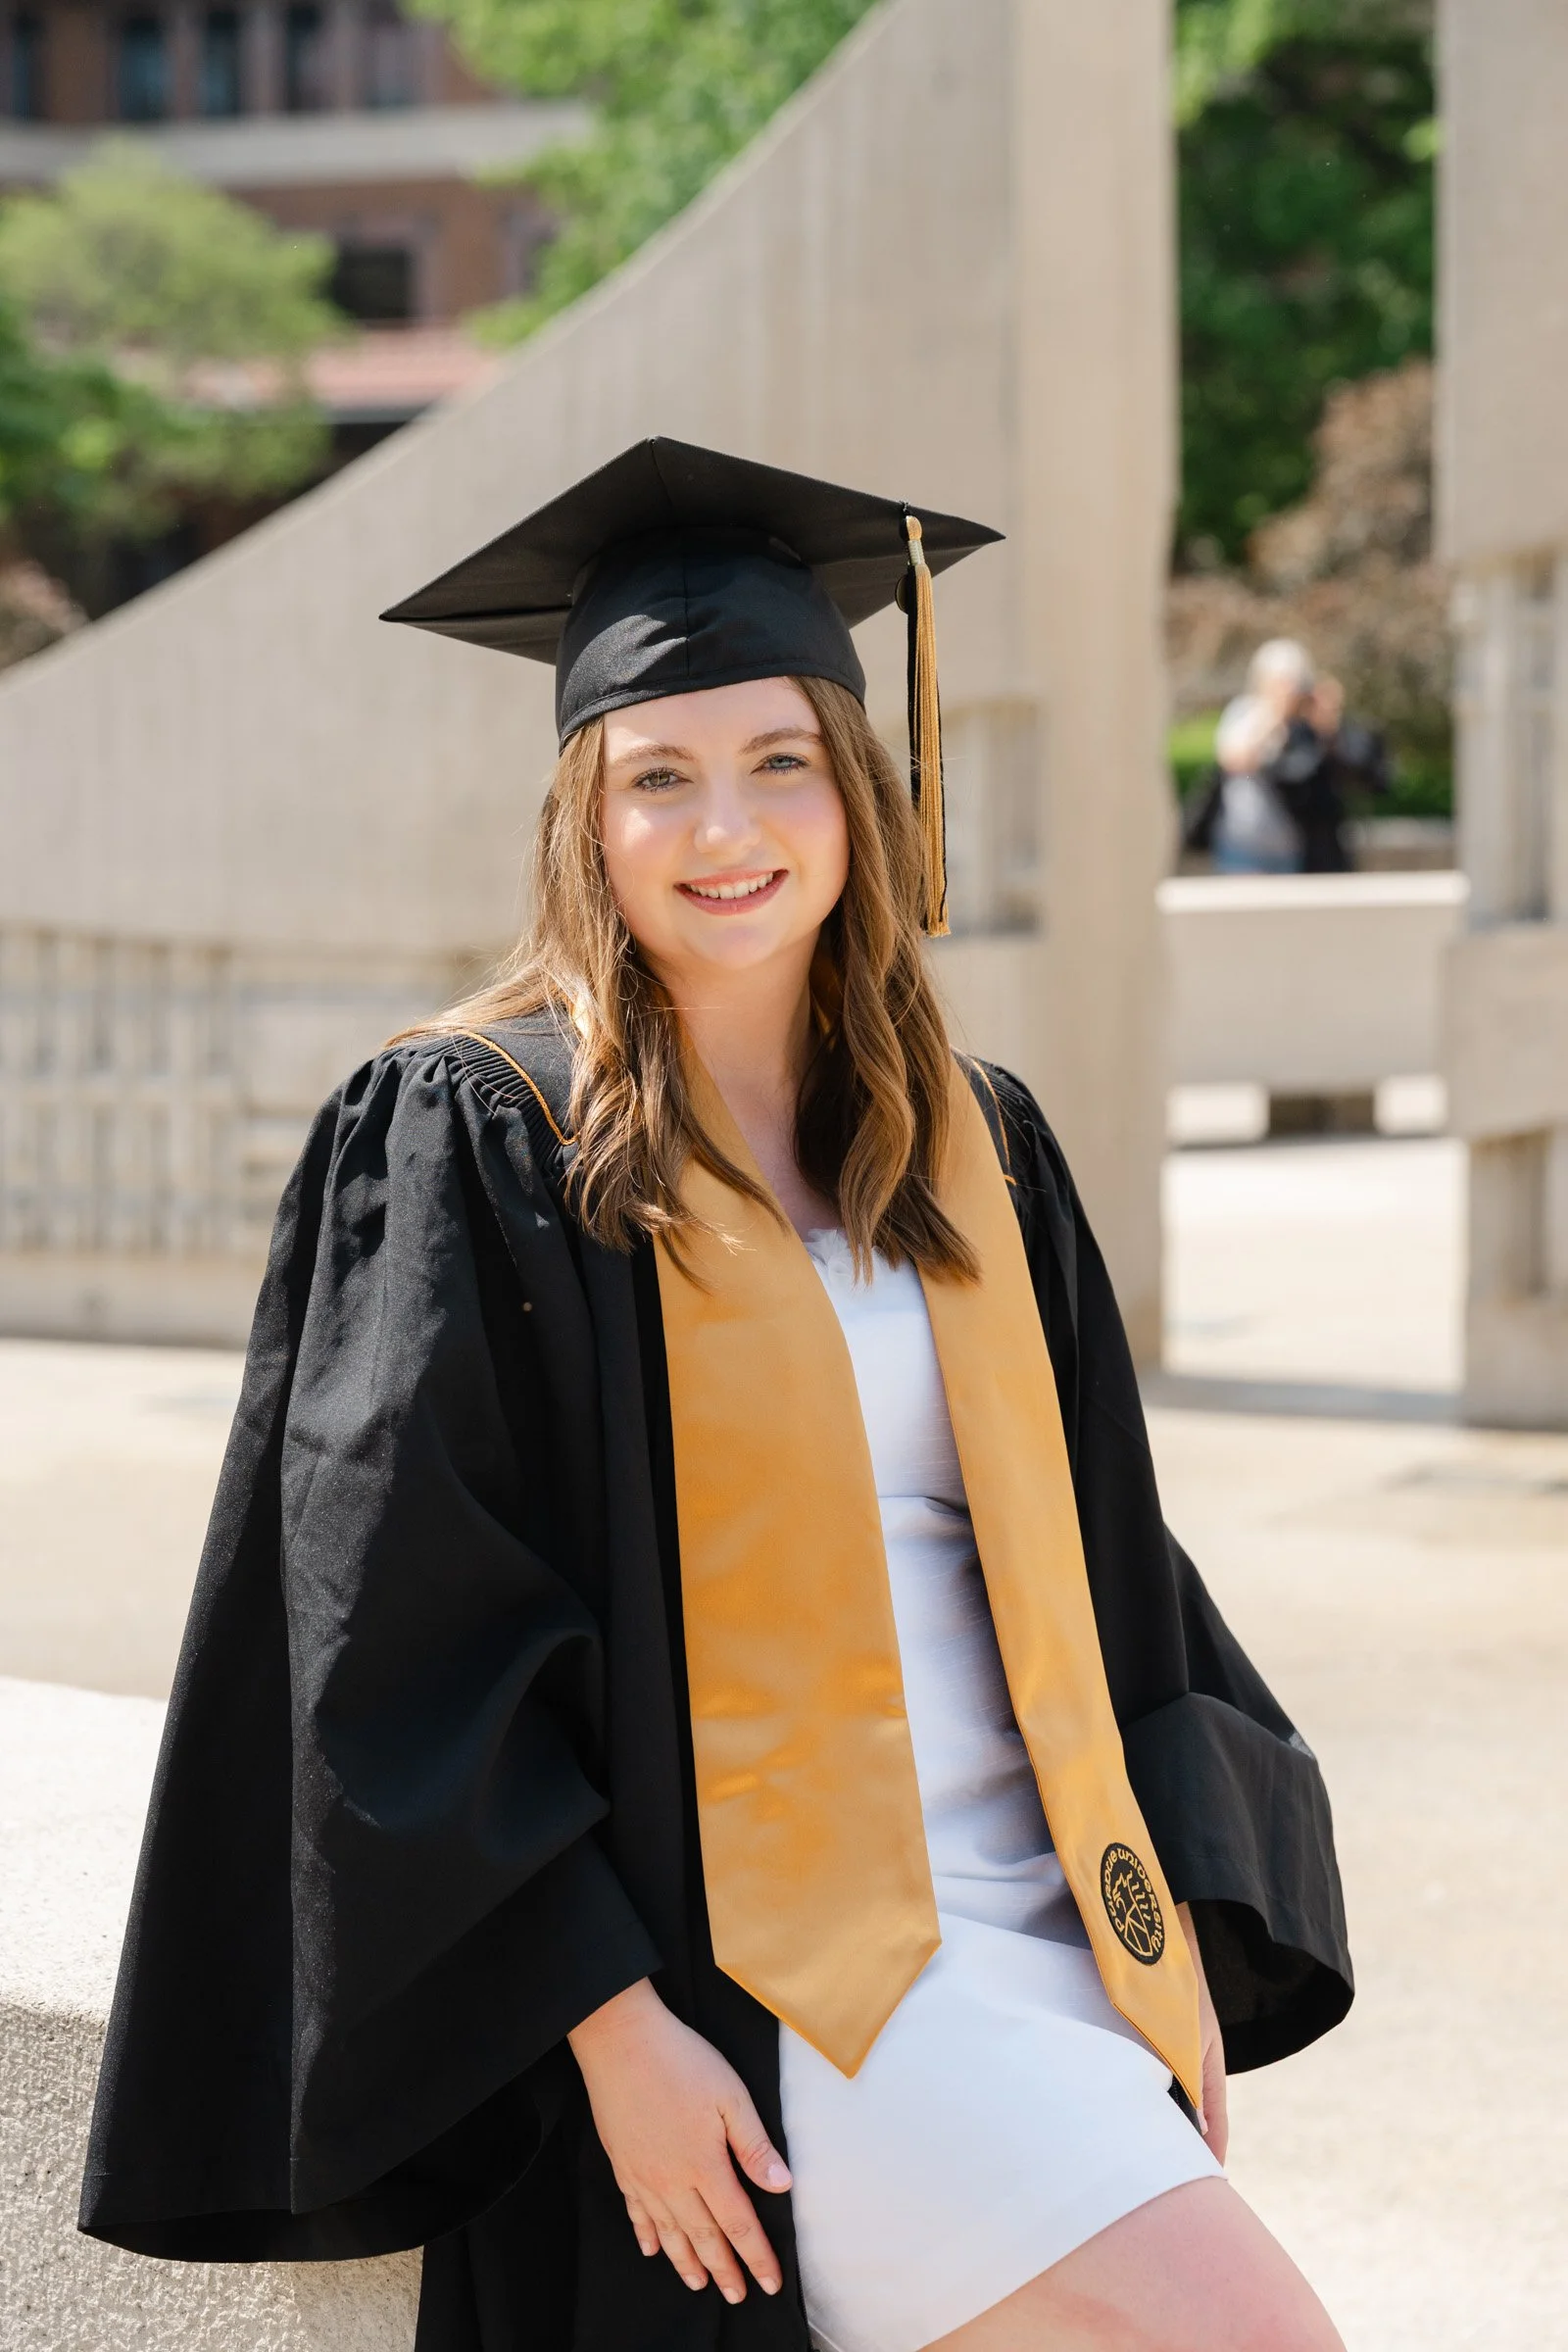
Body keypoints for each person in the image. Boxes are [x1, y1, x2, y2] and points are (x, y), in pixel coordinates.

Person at [79, 439, 1352, 2352]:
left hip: (1044, 1940)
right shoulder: (481, 1139)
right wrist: (607, 2031)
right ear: (581, 819)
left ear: (856, 787)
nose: (720, 825)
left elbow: (1104, 1572)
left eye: (775, 761)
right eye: (653, 776)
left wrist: (1158, 1935)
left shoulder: (967, 1150)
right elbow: (402, 1645)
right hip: (796, 1999)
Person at [1183, 637, 1392, 873]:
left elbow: (1355, 773)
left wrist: (1327, 725)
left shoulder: (1307, 727)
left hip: (1296, 848)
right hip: (1244, 847)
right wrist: (1274, 717)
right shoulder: (1245, 713)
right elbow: (1236, 762)